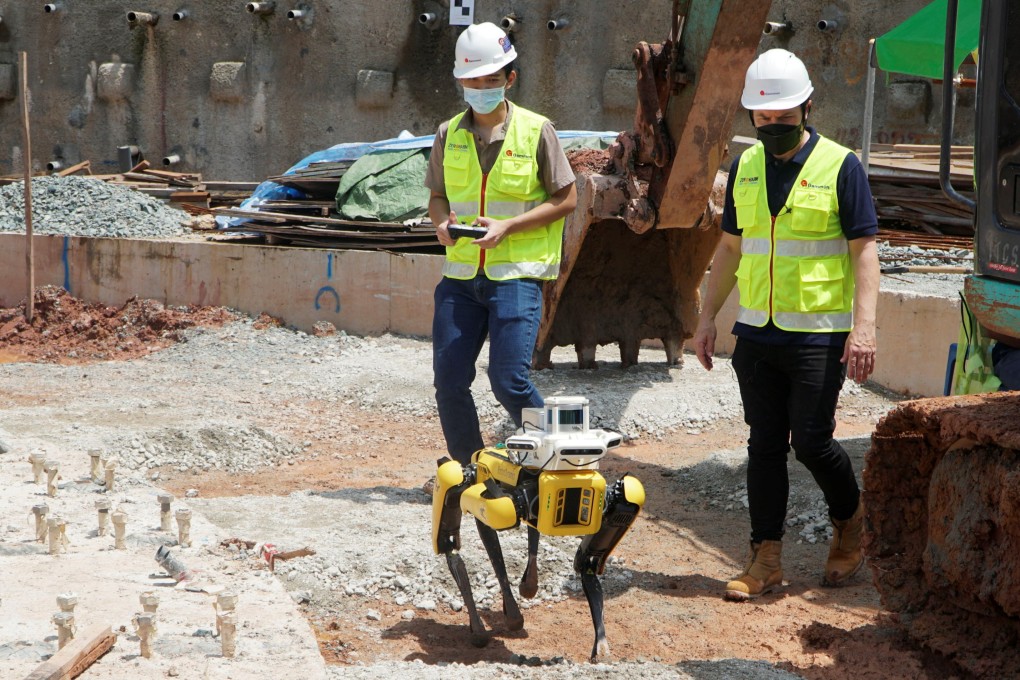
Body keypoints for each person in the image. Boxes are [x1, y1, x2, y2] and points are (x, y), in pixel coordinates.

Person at [692, 48, 880, 601]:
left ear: (807, 107)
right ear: (753, 116)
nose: (773, 127)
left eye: (784, 116)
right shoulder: (745, 167)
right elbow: (730, 248)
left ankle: (851, 524)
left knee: (813, 442)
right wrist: (706, 316)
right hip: (757, 334)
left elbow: (865, 251)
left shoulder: (841, 166)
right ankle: (765, 559)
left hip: (817, 333)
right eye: (763, 117)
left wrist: (863, 329)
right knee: (764, 445)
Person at [424, 22, 577, 473]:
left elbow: (566, 198)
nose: (482, 87)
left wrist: (509, 226)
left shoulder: (537, 130)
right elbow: (437, 195)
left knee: (509, 381)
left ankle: (562, 453)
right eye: (473, 80)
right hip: (460, 278)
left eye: (492, 79)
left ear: (510, 78)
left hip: (515, 276)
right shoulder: (446, 133)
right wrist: (441, 224)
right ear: (460, 81)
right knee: (449, 381)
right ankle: (472, 469)